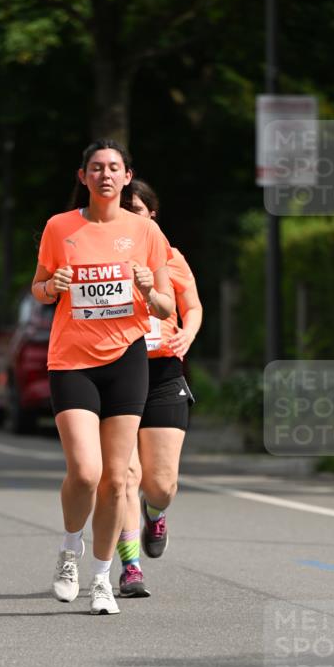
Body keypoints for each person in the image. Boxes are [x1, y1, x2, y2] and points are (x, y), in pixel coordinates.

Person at [32, 139, 174, 615]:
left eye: (114, 168)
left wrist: (149, 287)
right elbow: (39, 287)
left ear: (127, 177)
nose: (106, 175)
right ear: (83, 177)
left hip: (126, 359)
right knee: (86, 472)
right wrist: (53, 286)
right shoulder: (60, 226)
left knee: (117, 481)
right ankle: (69, 552)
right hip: (72, 360)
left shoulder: (144, 231)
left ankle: (100, 577)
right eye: (97, 168)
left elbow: (166, 307)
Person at [117, 179, 203, 598]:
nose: (129, 216)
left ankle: (157, 512)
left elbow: (193, 306)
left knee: (160, 483)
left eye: (136, 209)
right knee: (125, 474)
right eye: (123, 208)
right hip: (116, 371)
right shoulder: (105, 255)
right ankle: (130, 567)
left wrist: (187, 334)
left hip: (164, 373)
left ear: (151, 215)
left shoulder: (170, 256)